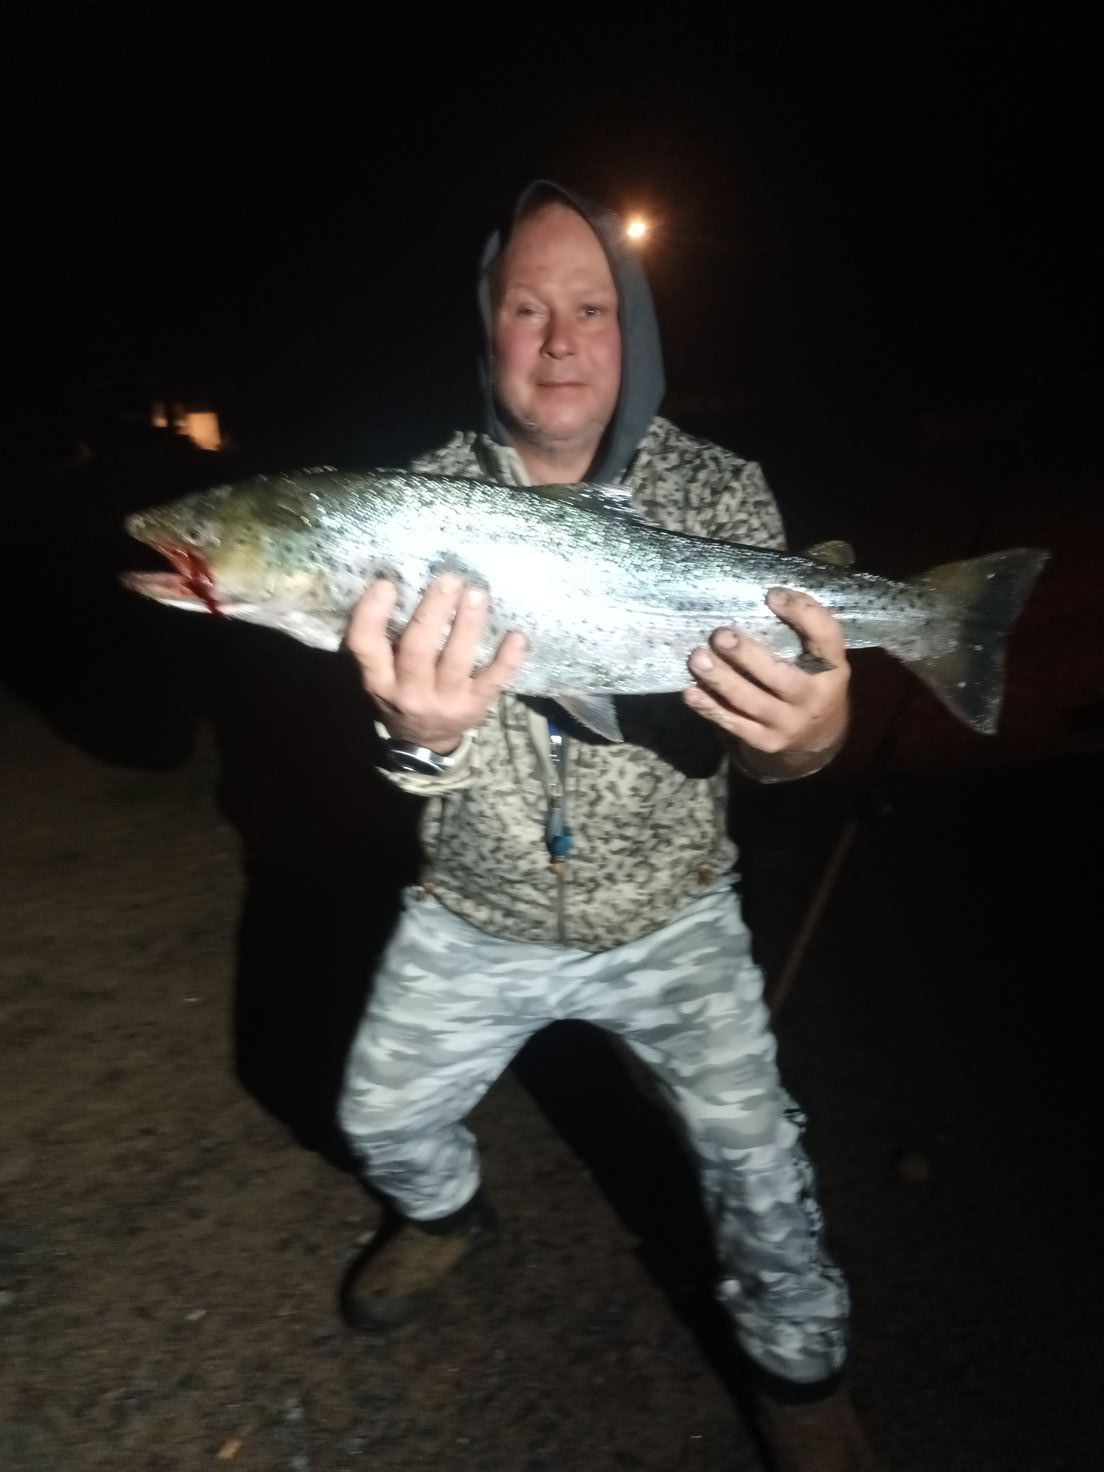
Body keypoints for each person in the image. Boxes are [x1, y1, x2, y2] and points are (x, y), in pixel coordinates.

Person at [337, 180, 879, 1472]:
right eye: (528, 308)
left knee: (762, 1173)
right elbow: (409, 754)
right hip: (476, 913)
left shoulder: (719, 491)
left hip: (675, 911)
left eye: (591, 309)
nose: (561, 340)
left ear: (632, 331)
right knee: (379, 1120)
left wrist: (813, 739)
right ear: (488, 329)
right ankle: (446, 1212)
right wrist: (420, 738)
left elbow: (783, 736)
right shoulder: (412, 508)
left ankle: (801, 1380)